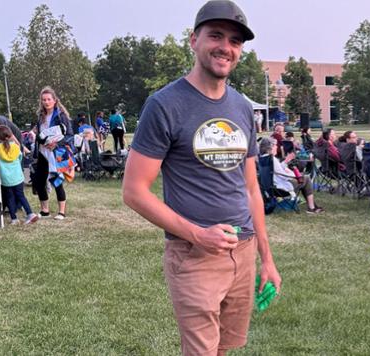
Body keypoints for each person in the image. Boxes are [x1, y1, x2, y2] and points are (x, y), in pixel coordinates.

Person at [121, 1, 281, 354]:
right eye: (216, 35)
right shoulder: (165, 105)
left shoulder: (241, 106)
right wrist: (197, 234)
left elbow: (251, 188)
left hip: (243, 250)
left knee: (224, 349)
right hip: (193, 254)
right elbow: (134, 191)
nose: (226, 46)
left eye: (236, 40)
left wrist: (266, 260)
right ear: (194, 40)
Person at [33, 86, 73, 220]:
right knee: (39, 181)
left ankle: (61, 212)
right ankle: (45, 210)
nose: (46, 102)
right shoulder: (40, 116)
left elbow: (69, 135)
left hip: (56, 153)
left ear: (54, 100)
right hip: (43, 152)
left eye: (49, 99)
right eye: (44, 99)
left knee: (56, 180)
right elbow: (39, 134)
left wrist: (56, 144)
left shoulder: (61, 116)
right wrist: (40, 139)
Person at [260, 137, 323, 214]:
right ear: (270, 147)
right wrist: (295, 175)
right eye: (275, 145)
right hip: (279, 188)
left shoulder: (263, 158)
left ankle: (312, 206)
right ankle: (311, 207)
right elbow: (282, 174)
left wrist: (286, 161)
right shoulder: (272, 159)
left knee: (303, 178)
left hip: (269, 188)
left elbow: (276, 170)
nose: (277, 147)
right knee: (306, 178)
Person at [0, 125, 39, 225]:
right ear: (10, 135)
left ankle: (14, 218)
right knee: (21, 196)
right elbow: (20, 159)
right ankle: (30, 213)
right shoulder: (16, 146)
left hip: (6, 179)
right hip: (18, 177)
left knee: (10, 197)